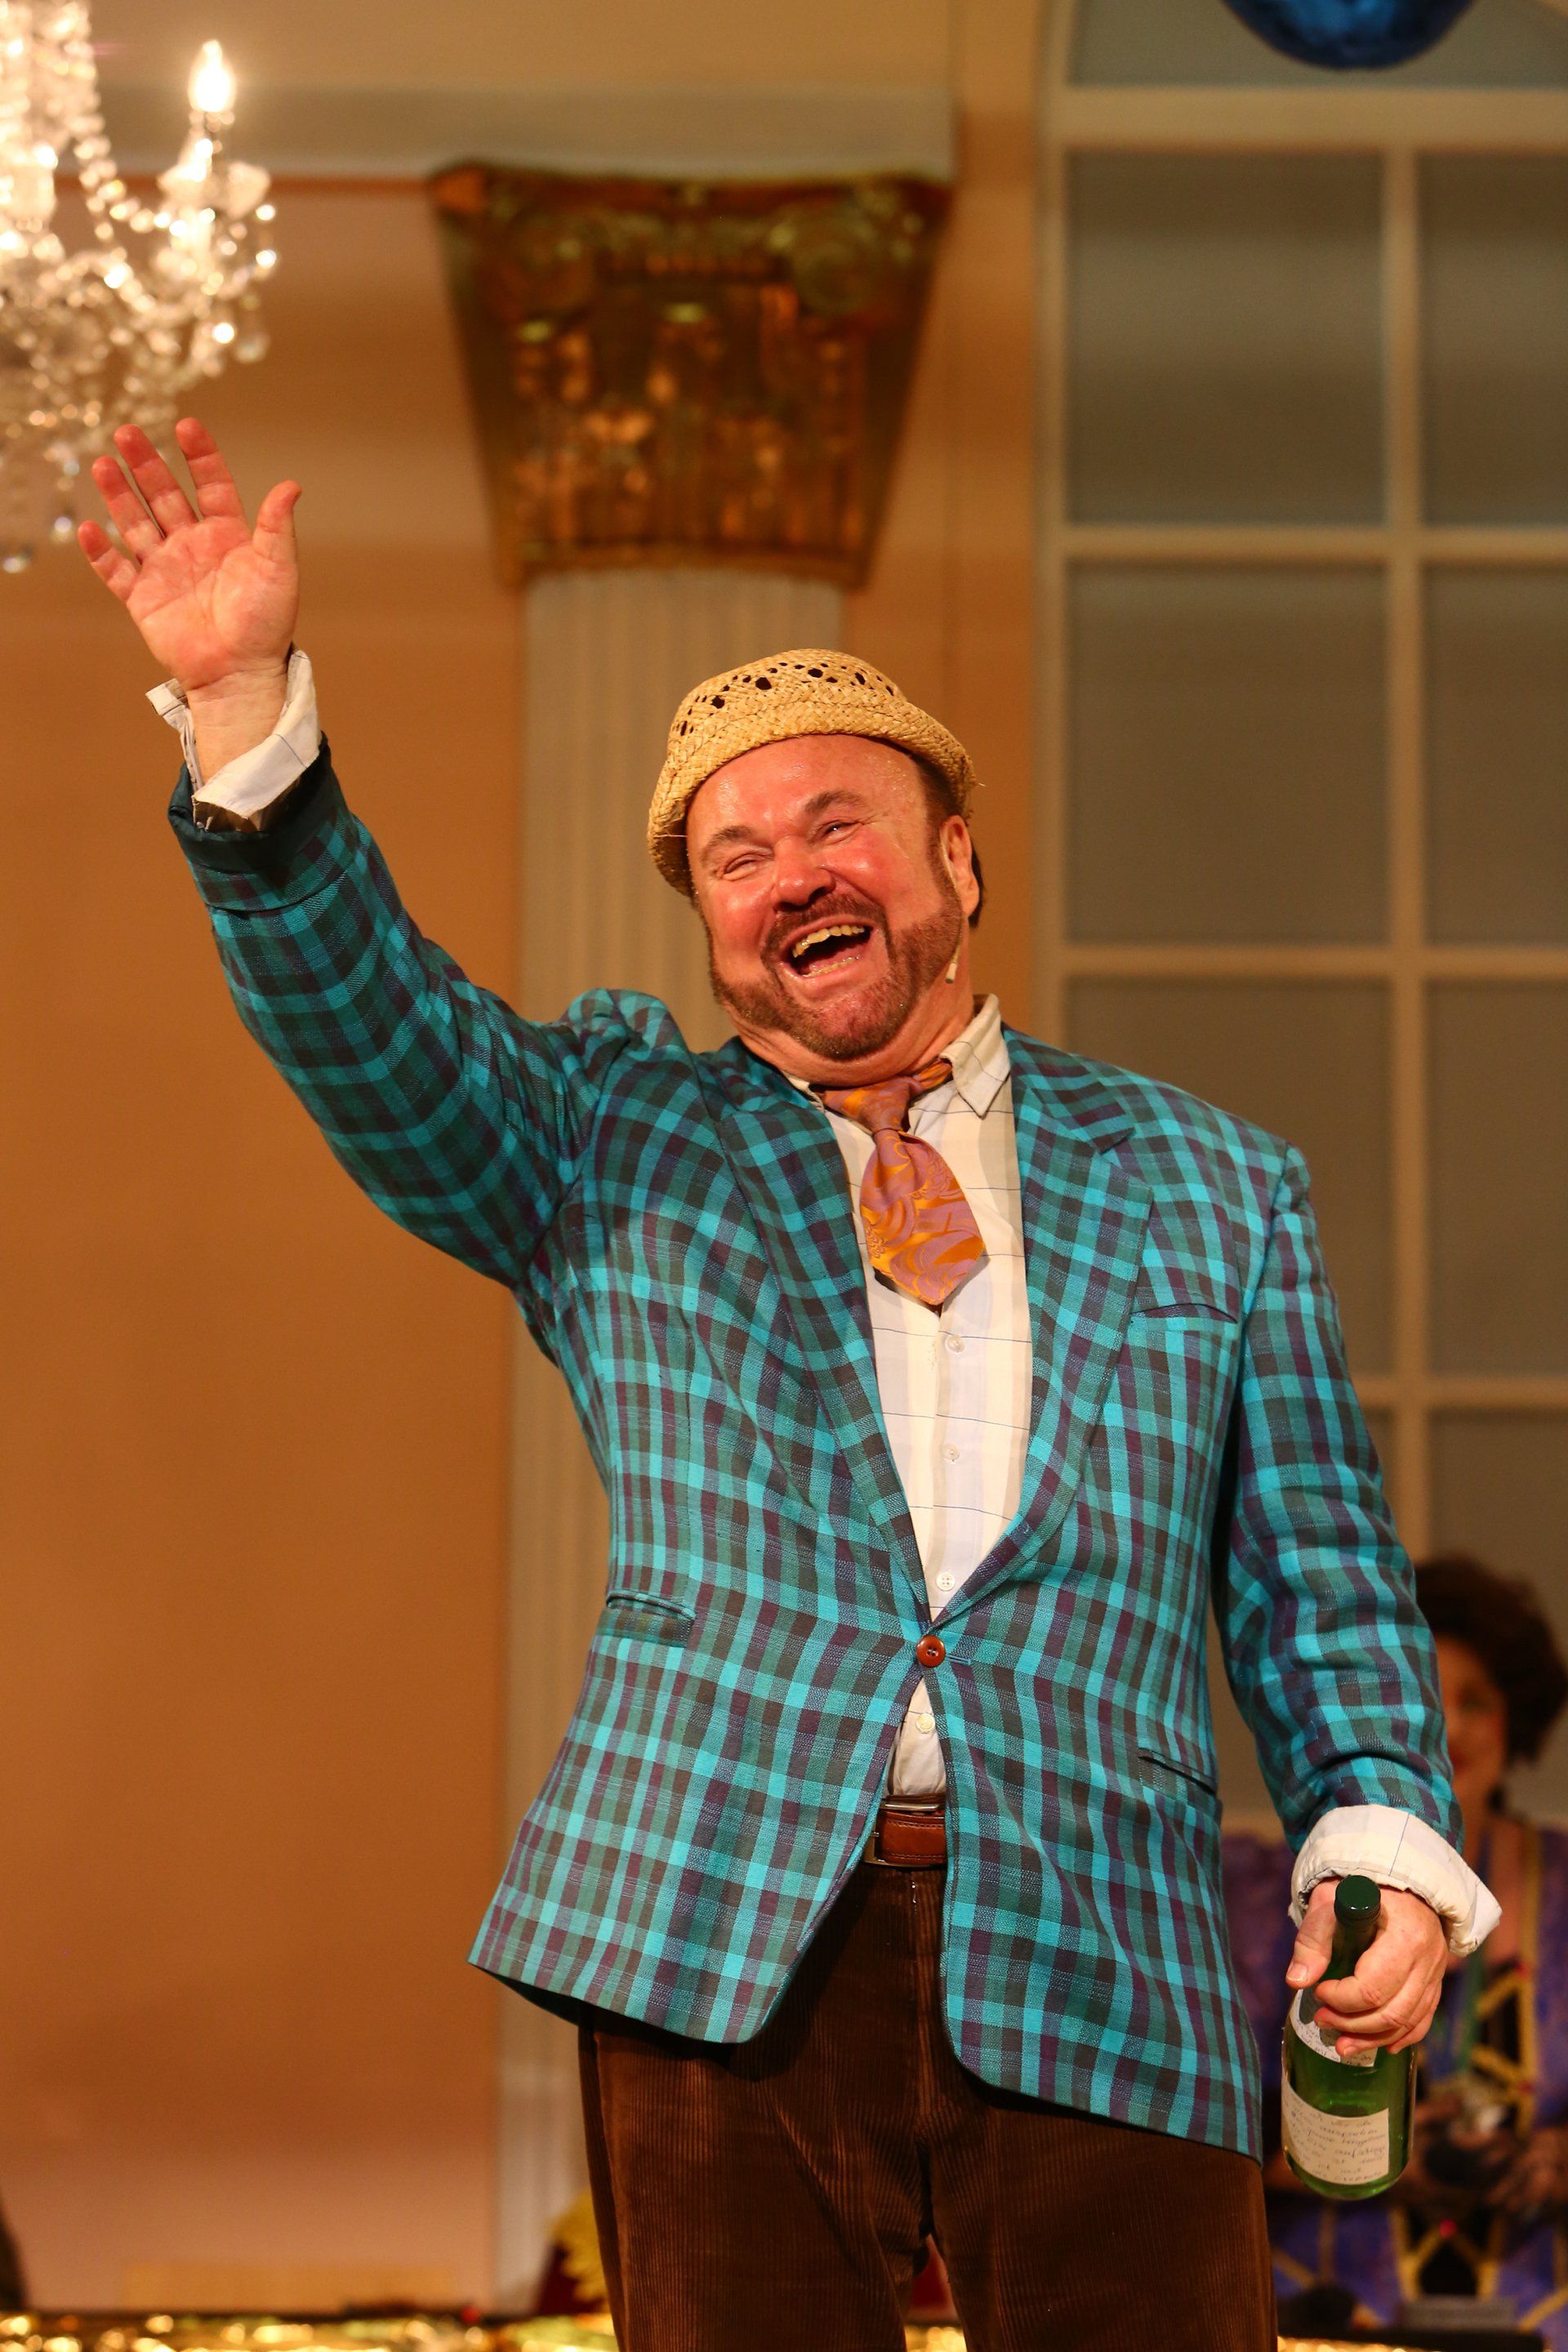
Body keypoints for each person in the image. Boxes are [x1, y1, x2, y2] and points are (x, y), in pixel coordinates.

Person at [82, 418, 1499, 2352]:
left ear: (955, 856)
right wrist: (244, 714)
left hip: (1105, 1927)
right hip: (718, 1936)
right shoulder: (608, 1141)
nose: (787, 876)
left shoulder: (1209, 1180)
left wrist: (1379, 1828)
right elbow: (372, 1028)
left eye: (836, 824)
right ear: (711, 928)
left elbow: (1319, 1575)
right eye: (735, 858)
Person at [1225, 1552, 1568, 2342]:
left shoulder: (1564, 1887)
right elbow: (1206, 2126)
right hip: (1323, 2315)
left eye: (1476, 1701)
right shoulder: (1275, 1891)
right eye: (1427, 1700)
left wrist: (1551, 2159)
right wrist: (1367, 2159)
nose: (1452, 1727)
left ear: (1514, 1721)